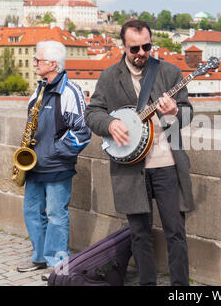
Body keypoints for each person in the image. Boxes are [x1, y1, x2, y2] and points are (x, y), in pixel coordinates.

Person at [84, 19, 194, 286]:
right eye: (135, 48)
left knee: (176, 233)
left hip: (167, 164)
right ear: (123, 46)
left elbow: (188, 112)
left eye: (146, 46)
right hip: (130, 169)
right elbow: (92, 113)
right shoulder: (110, 76)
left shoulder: (168, 72)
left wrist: (174, 112)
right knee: (139, 235)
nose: (142, 53)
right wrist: (110, 124)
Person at [17, 40, 92, 272]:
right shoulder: (39, 89)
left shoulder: (71, 91)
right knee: (31, 212)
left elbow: (83, 132)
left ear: (53, 64)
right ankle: (40, 258)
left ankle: (59, 267)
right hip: (34, 166)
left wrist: (53, 152)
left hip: (56, 166)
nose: (35, 63)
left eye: (38, 60)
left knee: (56, 216)